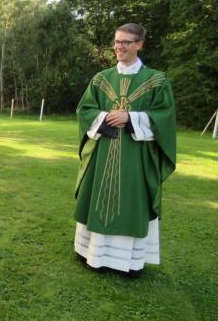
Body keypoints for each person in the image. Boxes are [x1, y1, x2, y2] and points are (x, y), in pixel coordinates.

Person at [73, 23, 176, 277]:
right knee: (98, 198)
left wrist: (130, 118)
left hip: (135, 157)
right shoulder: (100, 79)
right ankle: (91, 253)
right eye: (117, 42)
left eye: (126, 42)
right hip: (104, 153)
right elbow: (84, 110)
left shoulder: (156, 81)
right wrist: (106, 117)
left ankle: (128, 263)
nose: (119, 47)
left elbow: (164, 117)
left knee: (132, 202)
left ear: (140, 44)